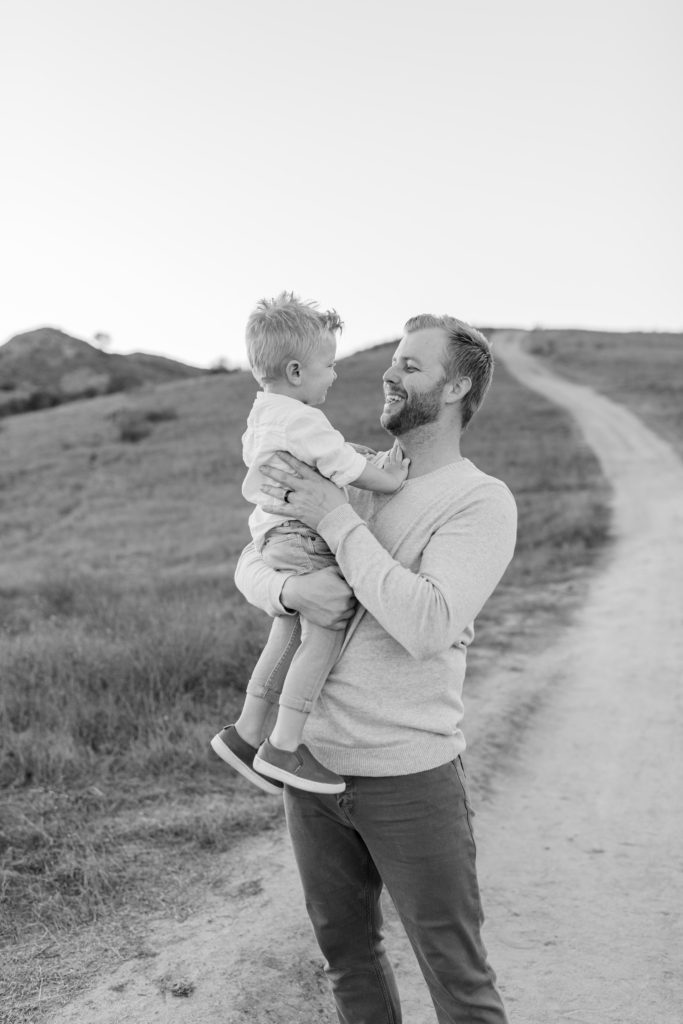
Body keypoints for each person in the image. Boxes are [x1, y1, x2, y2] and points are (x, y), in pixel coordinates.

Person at [233, 312, 518, 1023]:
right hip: (310, 765)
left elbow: (425, 622)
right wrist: (290, 590)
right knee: (347, 960)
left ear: (455, 388)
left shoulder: (478, 500)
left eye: (411, 366)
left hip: (408, 776)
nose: (389, 374)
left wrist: (336, 520)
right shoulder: (354, 467)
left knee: (456, 976)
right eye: (393, 360)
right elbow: (255, 554)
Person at [211, 292, 409, 796]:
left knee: (286, 630)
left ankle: (246, 732)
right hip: (303, 538)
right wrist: (391, 480)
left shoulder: (263, 414)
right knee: (324, 630)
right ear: (297, 372)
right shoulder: (302, 419)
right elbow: (343, 466)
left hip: (275, 536)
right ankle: (284, 745)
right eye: (329, 364)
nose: (334, 374)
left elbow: (325, 460)